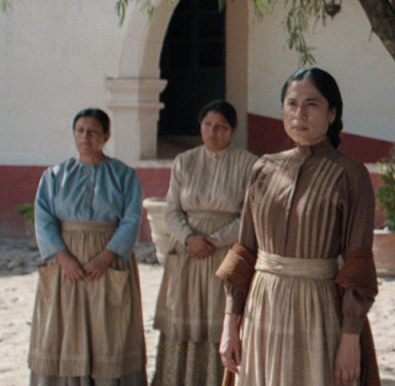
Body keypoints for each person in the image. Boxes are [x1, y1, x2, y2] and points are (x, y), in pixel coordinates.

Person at [216, 67, 380, 386]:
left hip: (317, 309)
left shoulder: (350, 174)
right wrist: (230, 325)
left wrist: (350, 338)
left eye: (312, 104)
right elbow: (244, 252)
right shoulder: (263, 168)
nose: (299, 114)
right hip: (262, 305)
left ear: (332, 113)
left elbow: (358, 263)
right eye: (291, 104)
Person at [28, 108, 147, 385]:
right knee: (63, 325)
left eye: (92, 131)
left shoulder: (124, 175)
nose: (85, 137)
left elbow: (131, 219)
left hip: (108, 261)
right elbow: (43, 218)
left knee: (109, 327)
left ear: (106, 136)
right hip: (66, 265)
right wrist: (63, 257)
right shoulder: (54, 176)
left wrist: (107, 256)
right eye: (80, 131)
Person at [151, 100, 258, 386]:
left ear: (233, 130)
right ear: (200, 127)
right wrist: (189, 238)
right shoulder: (184, 161)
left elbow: (249, 215)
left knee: (220, 316)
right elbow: (172, 210)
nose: (213, 132)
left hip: (225, 255)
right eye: (207, 125)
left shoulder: (249, 164)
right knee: (184, 315)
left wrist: (213, 240)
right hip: (187, 254)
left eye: (221, 127)